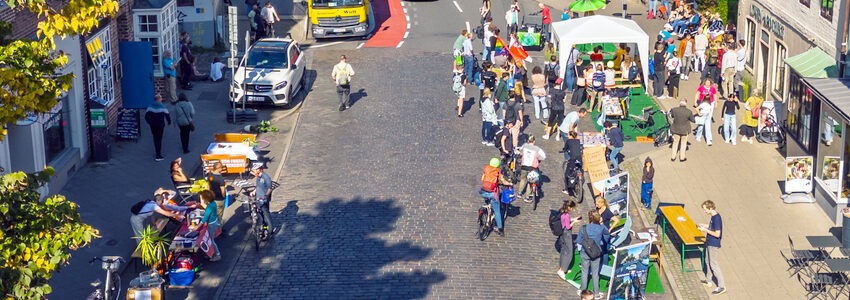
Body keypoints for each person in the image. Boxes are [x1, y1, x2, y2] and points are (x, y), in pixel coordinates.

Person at [577, 210, 610, 299]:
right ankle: (596, 294)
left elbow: (579, 241)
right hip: (596, 253)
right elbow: (607, 234)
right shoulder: (601, 228)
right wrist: (602, 223)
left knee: (584, 271)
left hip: (585, 252)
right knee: (595, 274)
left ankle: (582, 290)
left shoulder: (583, 228)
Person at [698, 200, 726, 295]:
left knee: (714, 264)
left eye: (705, 209)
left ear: (710, 208)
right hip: (709, 242)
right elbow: (712, 227)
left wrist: (705, 230)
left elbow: (717, 234)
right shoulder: (713, 217)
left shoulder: (717, 218)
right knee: (707, 260)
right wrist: (705, 226)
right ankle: (708, 280)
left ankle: (721, 286)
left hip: (713, 244)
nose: (704, 211)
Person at [557, 200, 581, 281]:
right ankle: (563, 270)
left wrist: (573, 219)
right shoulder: (566, 215)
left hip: (562, 234)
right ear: (569, 207)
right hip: (567, 234)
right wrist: (574, 222)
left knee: (564, 251)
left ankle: (562, 267)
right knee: (569, 252)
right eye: (572, 208)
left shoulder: (562, 212)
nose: (572, 209)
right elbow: (568, 227)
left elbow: (564, 221)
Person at [249, 163, 275, 238]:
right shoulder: (258, 177)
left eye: (254, 171)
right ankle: (264, 228)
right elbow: (258, 186)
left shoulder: (266, 177)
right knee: (261, 215)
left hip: (263, 200)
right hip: (258, 199)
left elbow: (270, 188)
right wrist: (254, 192)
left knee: (266, 215)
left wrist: (266, 196)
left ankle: (270, 230)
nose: (253, 173)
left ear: (259, 169)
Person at [517, 135, 546, 202]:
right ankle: (527, 197)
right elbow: (544, 156)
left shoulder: (524, 146)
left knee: (523, 179)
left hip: (524, 166)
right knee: (530, 182)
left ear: (528, 141)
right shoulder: (537, 149)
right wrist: (538, 158)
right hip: (532, 168)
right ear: (534, 141)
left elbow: (520, 152)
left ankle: (519, 193)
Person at [197, 190, 222, 261]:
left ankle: (217, 254)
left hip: (211, 224)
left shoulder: (209, 207)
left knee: (211, 240)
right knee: (210, 239)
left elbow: (204, 219)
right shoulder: (213, 203)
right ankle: (211, 254)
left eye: (202, 198)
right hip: (214, 222)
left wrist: (196, 227)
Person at [145, 95, 171, 161]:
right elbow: (167, 116)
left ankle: (157, 150)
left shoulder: (150, 106)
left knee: (155, 137)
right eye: (161, 98)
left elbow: (146, 117)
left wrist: (150, 122)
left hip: (153, 126)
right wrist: (169, 122)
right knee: (159, 139)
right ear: (159, 99)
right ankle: (158, 155)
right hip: (160, 125)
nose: (161, 99)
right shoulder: (162, 107)